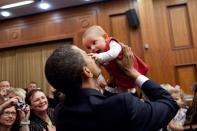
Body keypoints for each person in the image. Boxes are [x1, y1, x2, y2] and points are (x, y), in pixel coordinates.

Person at [44, 43, 179, 131]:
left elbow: (98, 107)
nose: (93, 56)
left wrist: (110, 86)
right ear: (87, 71)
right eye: (87, 55)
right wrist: (132, 72)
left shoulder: (60, 113)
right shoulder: (123, 104)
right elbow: (169, 103)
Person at [82, 25, 149, 94]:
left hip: (134, 68)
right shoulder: (98, 54)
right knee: (123, 91)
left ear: (105, 37)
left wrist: (99, 56)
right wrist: (100, 79)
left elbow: (114, 53)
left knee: (142, 85)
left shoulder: (111, 43)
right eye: (89, 47)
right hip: (120, 76)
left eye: (94, 42)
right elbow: (96, 68)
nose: (92, 48)